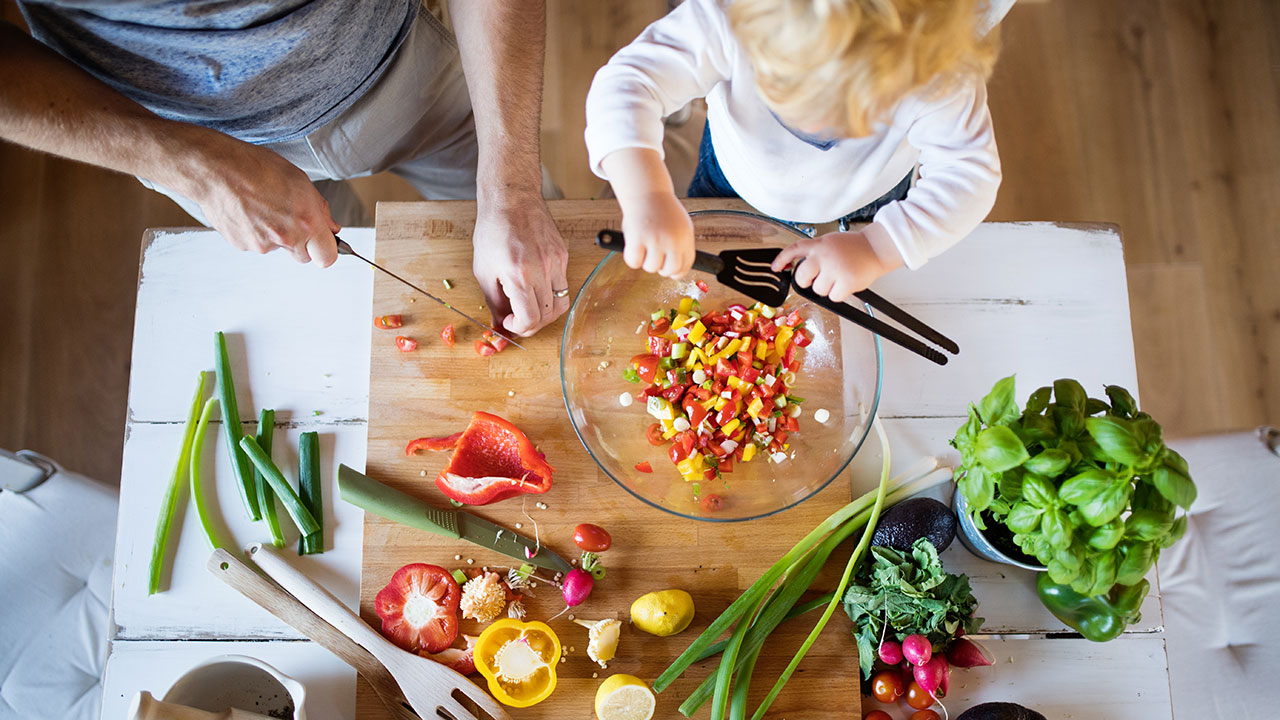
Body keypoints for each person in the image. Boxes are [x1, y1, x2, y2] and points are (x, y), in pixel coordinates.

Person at [0, 1, 569, 336]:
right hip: (185, 137)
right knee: (335, 297)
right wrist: (198, 169)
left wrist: (512, 190)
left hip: (402, 64)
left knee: (531, 250)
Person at [584, 0, 1004, 303]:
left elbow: (968, 175)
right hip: (734, 178)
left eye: (857, 111)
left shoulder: (938, 67)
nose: (818, 128)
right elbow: (629, 82)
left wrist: (878, 248)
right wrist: (648, 197)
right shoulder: (733, 13)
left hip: (871, 199)